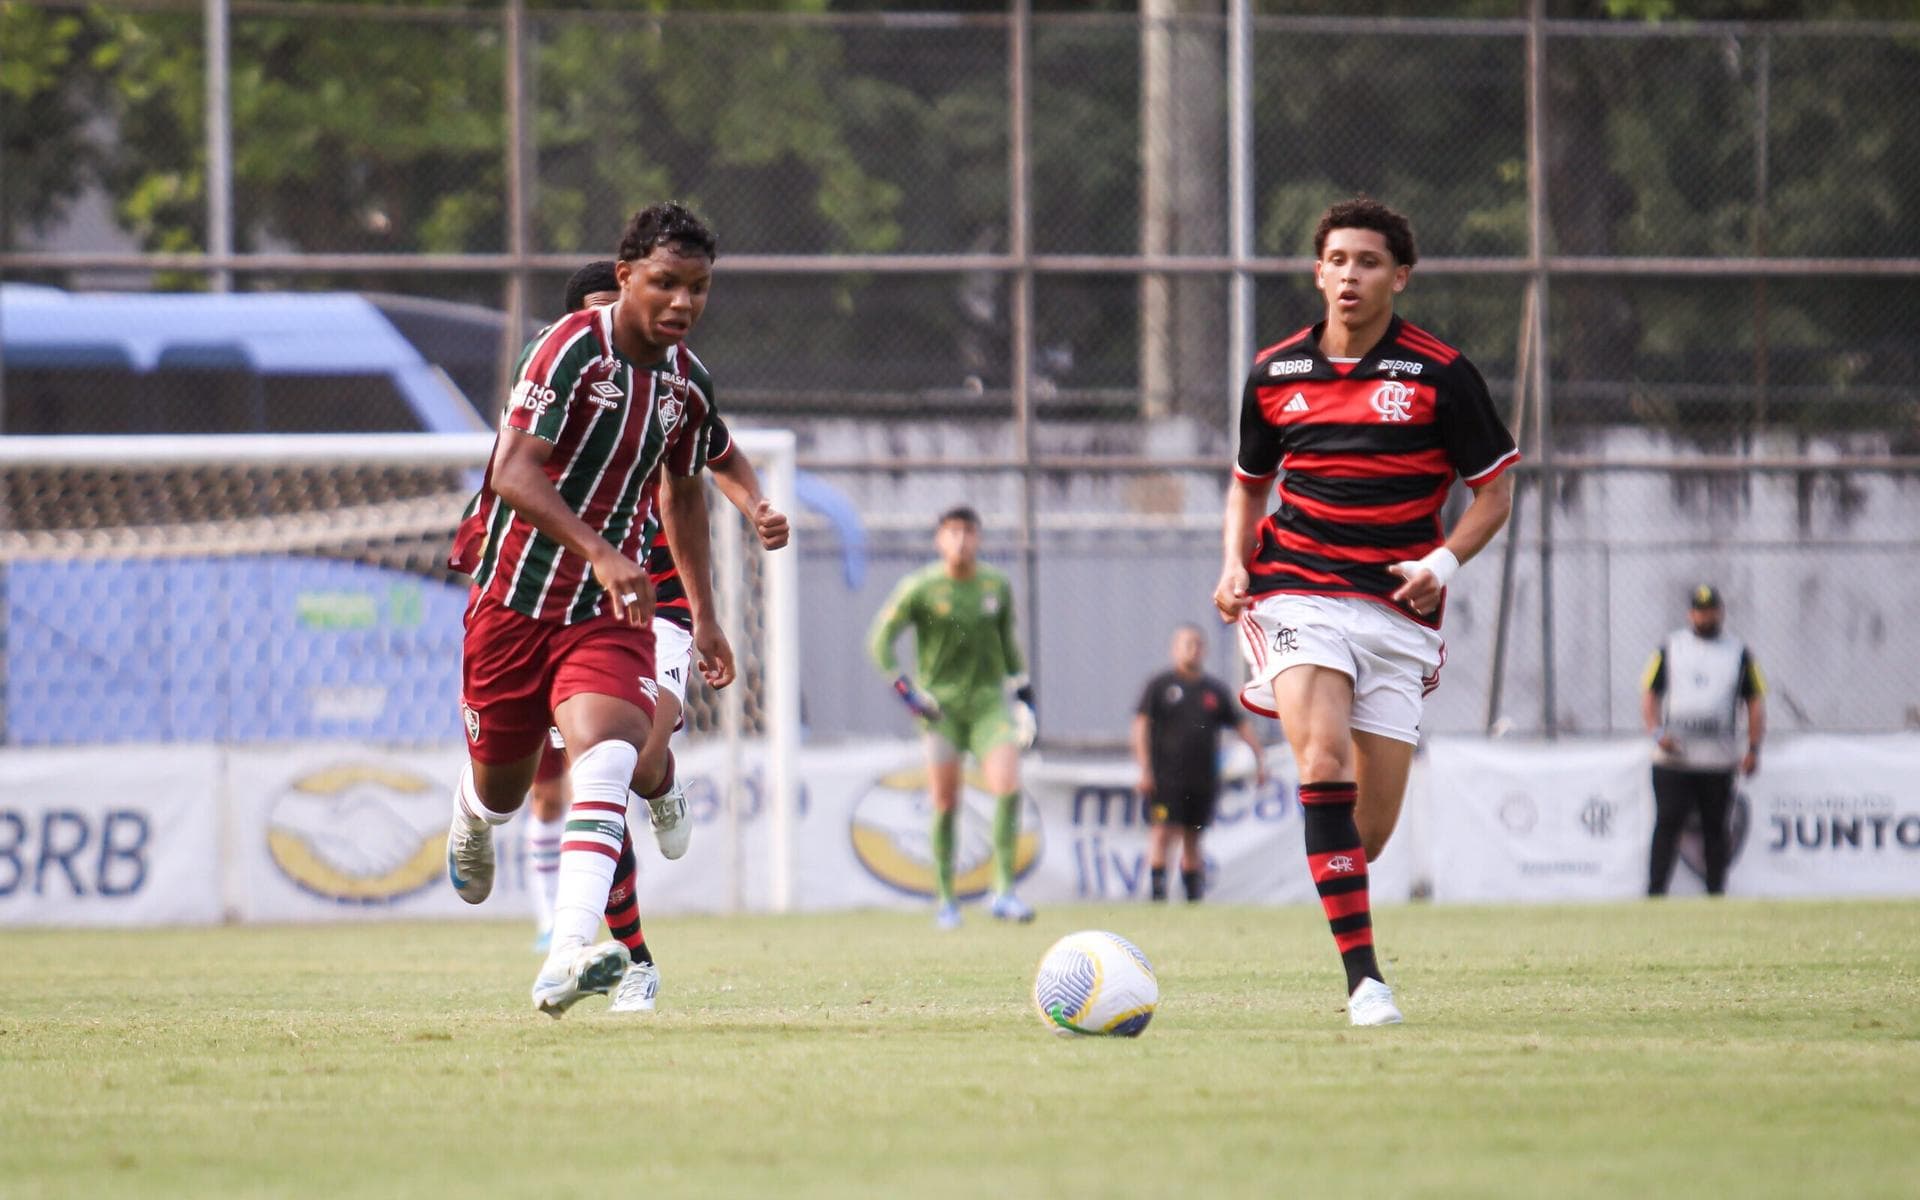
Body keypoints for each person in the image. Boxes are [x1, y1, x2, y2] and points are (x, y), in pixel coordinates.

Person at [1212, 197, 1518, 1027]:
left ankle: (1350, 921)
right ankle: (1365, 983)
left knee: (1369, 834)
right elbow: (1248, 486)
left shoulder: (1440, 374)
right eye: (1338, 260)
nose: (1351, 275)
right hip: (1296, 588)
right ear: (1318, 272)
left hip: (1394, 609)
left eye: (1369, 262)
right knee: (1322, 763)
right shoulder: (1274, 374)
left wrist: (1441, 559)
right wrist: (1235, 562)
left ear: (1400, 277)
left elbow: (1495, 492)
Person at [443, 202, 732, 1017]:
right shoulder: (570, 348)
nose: (682, 303)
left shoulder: (687, 385)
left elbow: (684, 492)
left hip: (605, 616)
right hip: (512, 605)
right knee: (504, 792)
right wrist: (599, 550)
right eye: (666, 284)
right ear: (625, 277)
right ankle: (470, 812)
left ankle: (568, 952)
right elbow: (511, 472)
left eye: (699, 289)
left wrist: (704, 614)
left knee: (606, 754)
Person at [518, 262, 790, 1017]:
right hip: (565, 609)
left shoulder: (672, 388)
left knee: (627, 763)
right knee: (583, 784)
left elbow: (716, 453)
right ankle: (633, 960)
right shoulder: (560, 396)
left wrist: (750, 518)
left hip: (655, 607)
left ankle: (661, 781)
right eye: (606, 313)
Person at [867, 506, 1038, 929]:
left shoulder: (995, 585)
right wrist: (907, 692)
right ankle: (946, 899)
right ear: (939, 540)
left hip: (987, 705)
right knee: (946, 802)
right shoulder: (922, 587)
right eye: (952, 532)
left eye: (968, 532)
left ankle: (1003, 891)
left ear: (978, 539)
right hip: (940, 709)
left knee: (1008, 786)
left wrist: (1024, 696)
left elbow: (1009, 646)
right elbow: (880, 641)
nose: (960, 540)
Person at [1640, 584, 1766, 897]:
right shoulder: (1670, 647)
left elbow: (1755, 701)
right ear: (1690, 613)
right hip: (1675, 756)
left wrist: (1753, 747)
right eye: (1700, 610)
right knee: (1667, 824)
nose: (1705, 616)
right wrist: (1657, 733)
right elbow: (1648, 693)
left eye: (1711, 610)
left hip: (1717, 758)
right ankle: (1655, 894)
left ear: (1719, 612)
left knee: (1716, 827)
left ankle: (1715, 894)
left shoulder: (1739, 652)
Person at [1130, 623, 1268, 903]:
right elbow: (1141, 726)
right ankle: (1157, 897)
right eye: (1186, 644)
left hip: (1202, 778)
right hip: (1166, 777)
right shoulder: (1160, 686)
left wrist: (1259, 760)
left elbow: (1241, 725)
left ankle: (1193, 899)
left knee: (1193, 836)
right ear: (1174, 649)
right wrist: (1144, 769)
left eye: (1196, 644)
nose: (1192, 650)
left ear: (1203, 649)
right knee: (1162, 833)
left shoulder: (1214, 691)